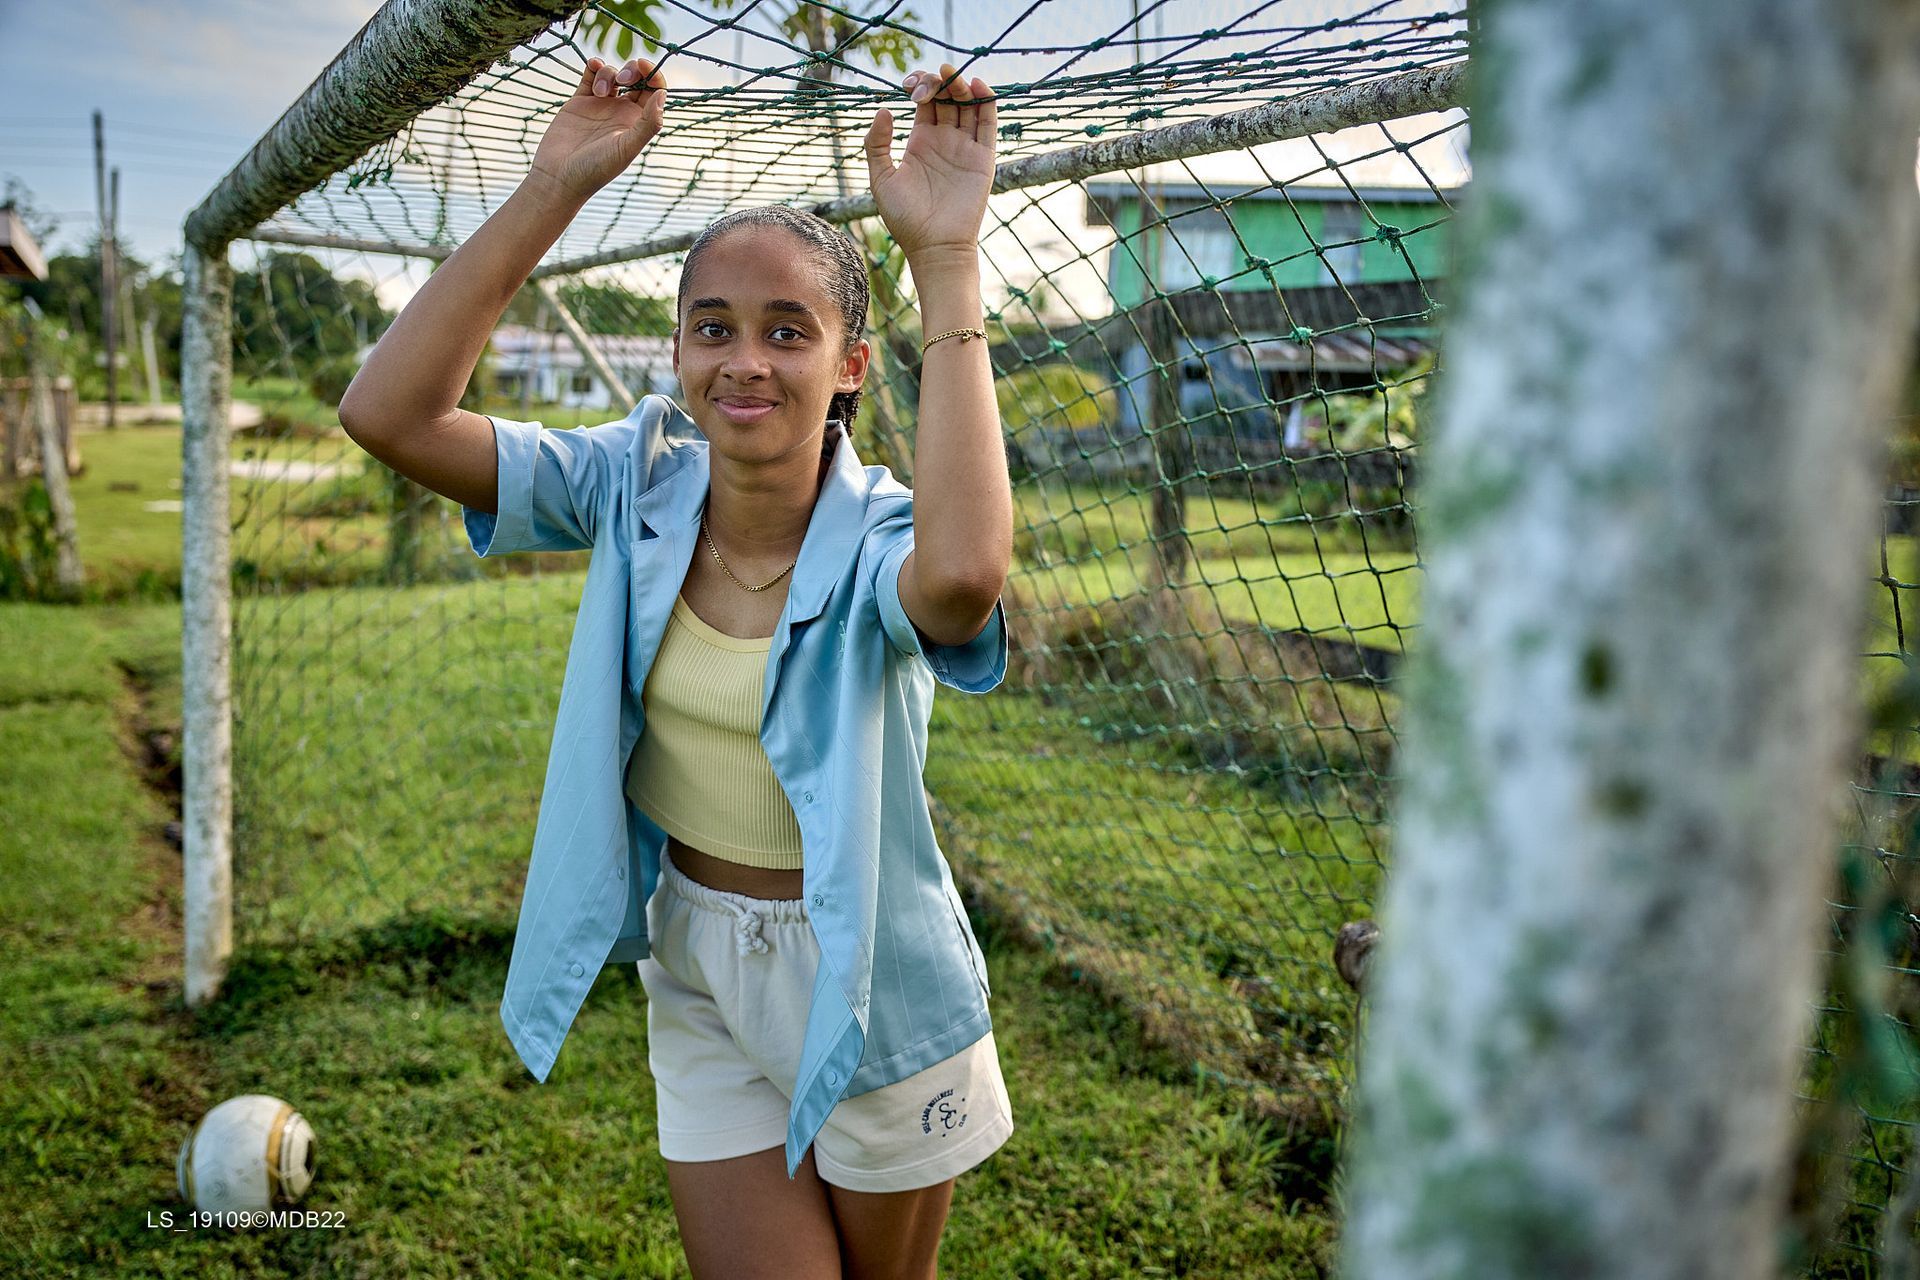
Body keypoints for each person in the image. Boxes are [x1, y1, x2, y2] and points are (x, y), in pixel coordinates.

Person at [338, 51, 1015, 1280]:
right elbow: (390, 415)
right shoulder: (630, 481)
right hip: (695, 950)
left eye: (787, 331)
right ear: (678, 352)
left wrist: (947, 256)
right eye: (714, 328)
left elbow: (964, 577)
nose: (744, 360)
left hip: (873, 979)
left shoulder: (878, 534)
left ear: (851, 364)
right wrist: (556, 182)